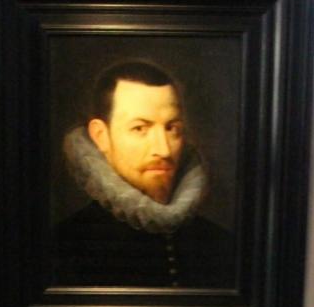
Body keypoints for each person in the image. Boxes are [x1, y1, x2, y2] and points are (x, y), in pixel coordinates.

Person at [54, 61, 235, 289]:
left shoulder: (220, 244)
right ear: (101, 136)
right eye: (140, 128)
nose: (163, 150)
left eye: (172, 128)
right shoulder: (64, 246)